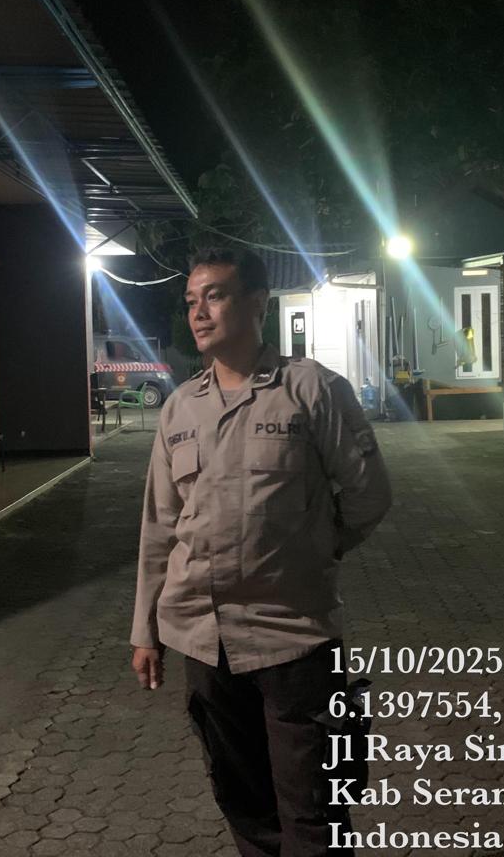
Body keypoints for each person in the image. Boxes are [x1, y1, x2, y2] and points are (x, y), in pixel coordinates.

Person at [130, 248, 392, 857]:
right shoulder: (179, 409)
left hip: (292, 637)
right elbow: (159, 527)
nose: (199, 312)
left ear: (257, 303)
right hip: (203, 641)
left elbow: (368, 494)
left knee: (313, 811)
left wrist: (315, 549)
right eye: (191, 301)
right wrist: (145, 631)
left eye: (215, 295)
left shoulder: (312, 390)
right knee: (244, 803)